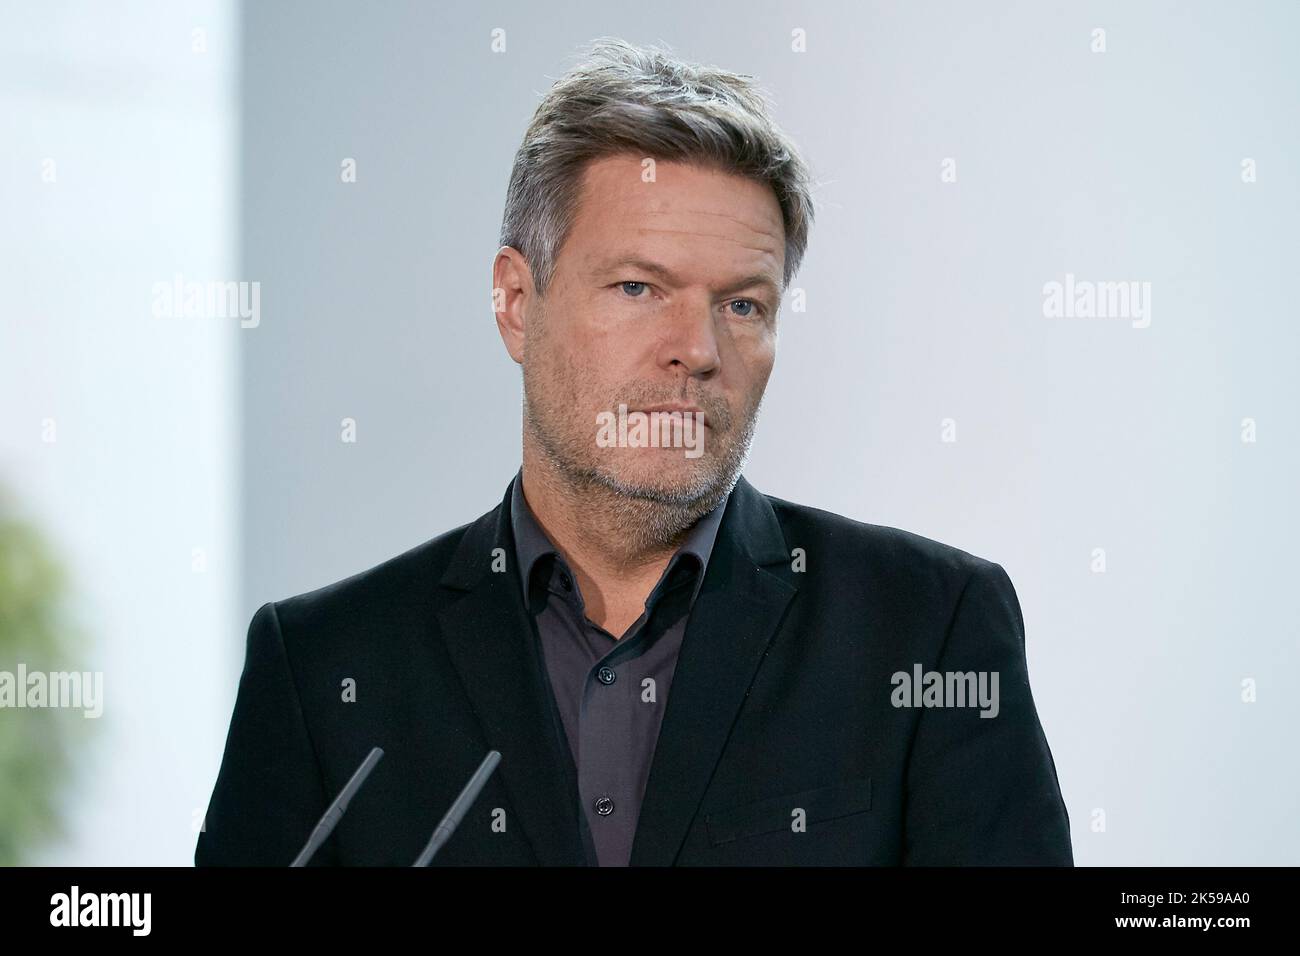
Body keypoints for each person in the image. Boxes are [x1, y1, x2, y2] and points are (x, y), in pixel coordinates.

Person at [196, 37, 1072, 867]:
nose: (696, 348)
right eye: (637, 287)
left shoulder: (930, 629)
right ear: (514, 301)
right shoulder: (322, 669)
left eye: (741, 305)